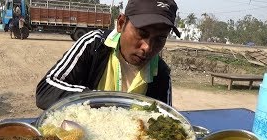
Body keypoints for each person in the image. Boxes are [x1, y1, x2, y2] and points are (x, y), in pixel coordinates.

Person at [36, 0, 181, 110]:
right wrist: (99, 100)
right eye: (142, 33)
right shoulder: (94, 45)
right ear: (121, 23)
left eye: (160, 39)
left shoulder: (161, 74)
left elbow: (165, 119)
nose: (148, 47)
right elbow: (46, 89)